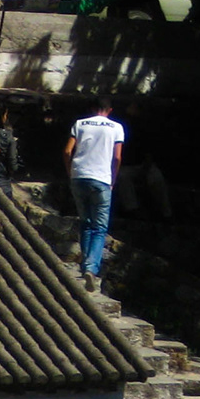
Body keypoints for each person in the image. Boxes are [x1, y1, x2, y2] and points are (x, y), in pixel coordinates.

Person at [64, 96, 126, 291]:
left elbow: (67, 151)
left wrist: (70, 172)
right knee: (99, 228)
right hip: (101, 179)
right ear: (110, 110)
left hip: (79, 177)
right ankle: (91, 268)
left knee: (86, 223)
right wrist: (113, 180)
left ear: (92, 108)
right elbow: (117, 157)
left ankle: (85, 266)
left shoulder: (80, 124)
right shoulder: (116, 128)